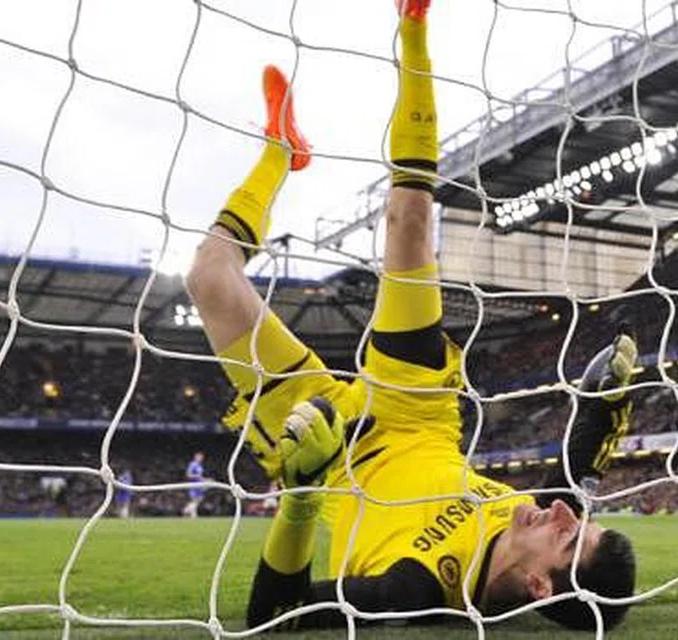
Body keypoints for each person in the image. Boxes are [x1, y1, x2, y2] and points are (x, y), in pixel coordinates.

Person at [185, 0, 637, 631]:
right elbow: (572, 476)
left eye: (568, 537)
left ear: (536, 586)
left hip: (328, 455)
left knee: (208, 277)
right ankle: (414, 25)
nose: (563, 513)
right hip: (416, 411)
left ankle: (278, 156)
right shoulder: (532, 516)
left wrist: (301, 495)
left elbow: (277, 617)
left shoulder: (417, 587)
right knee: (410, 221)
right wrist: (598, 405)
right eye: (579, 520)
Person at [182, 452, 206, 518]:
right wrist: (197, 476)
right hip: (193, 484)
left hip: (199, 484)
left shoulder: (200, 466)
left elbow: (200, 476)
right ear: (195, 457)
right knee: (195, 499)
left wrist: (204, 479)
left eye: (202, 457)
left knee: (199, 499)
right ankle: (191, 513)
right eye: (199, 457)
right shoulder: (193, 465)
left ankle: (188, 511)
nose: (201, 458)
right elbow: (188, 475)